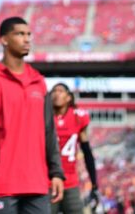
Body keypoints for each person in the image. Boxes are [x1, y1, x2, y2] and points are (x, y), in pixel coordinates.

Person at [0, 16, 65, 214]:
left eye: (29, 34)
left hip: (38, 184)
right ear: (4, 40)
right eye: (20, 34)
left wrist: (56, 172)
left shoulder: (39, 83)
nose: (27, 39)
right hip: (1, 186)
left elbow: (49, 132)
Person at [50, 83, 99, 214]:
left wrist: (94, 183)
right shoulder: (45, 117)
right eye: (53, 91)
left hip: (70, 181)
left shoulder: (78, 117)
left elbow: (87, 151)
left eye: (60, 91)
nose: (56, 94)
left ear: (68, 97)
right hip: (48, 181)